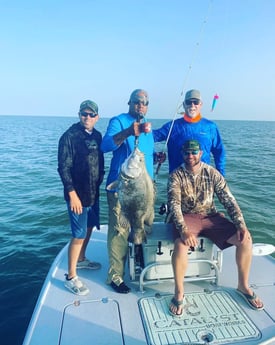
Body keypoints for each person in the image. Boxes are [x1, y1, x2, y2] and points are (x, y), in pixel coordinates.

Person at [167, 139, 264, 316]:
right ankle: (179, 292)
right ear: (182, 154)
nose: (190, 156)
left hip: (211, 216)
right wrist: (183, 230)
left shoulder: (212, 173)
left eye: (194, 152)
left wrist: (241, 225)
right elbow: (174, 205)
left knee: (245, 240)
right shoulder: (176, 175)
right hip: (187, 217)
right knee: (181, 245)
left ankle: (243, 285)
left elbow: (229, 200)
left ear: (201, 153)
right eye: (186, 153)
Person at [101, 89, 154, 294]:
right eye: (137, 101)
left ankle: (142, 265)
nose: (141, 105)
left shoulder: (147, 126)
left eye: (145, 102)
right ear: (129, 103)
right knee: (119, 230)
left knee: (144, 225)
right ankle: (115, 276)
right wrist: (129, 132)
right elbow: (105, 146)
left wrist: (155, 157)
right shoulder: (119, 121)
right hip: (123, 188)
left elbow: (144, 154)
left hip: (145, 190)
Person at [58, 100, 105, 295]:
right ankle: (71, 276)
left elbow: (100, 162)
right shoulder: (69, 136)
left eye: (91, 114)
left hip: (93, 193)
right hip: (77, 195)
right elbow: (63, 167)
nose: (87, 117)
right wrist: (72, 194)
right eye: (84, 114)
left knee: (88, 228)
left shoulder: (98, 135)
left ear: (97, 117)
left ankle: (82, 259)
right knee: (78, 234)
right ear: (79, 115)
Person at [153, 89, 226, 175]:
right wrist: (154, 154)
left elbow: (219, 152)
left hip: (203, 180)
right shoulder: (172, 126)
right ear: (184, 105)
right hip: (177, 181)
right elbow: (149, 137)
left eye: (195, 102)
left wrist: (221, 175)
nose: (192, 105)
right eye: (188, 102)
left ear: (201, 104)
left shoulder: (210, 127)